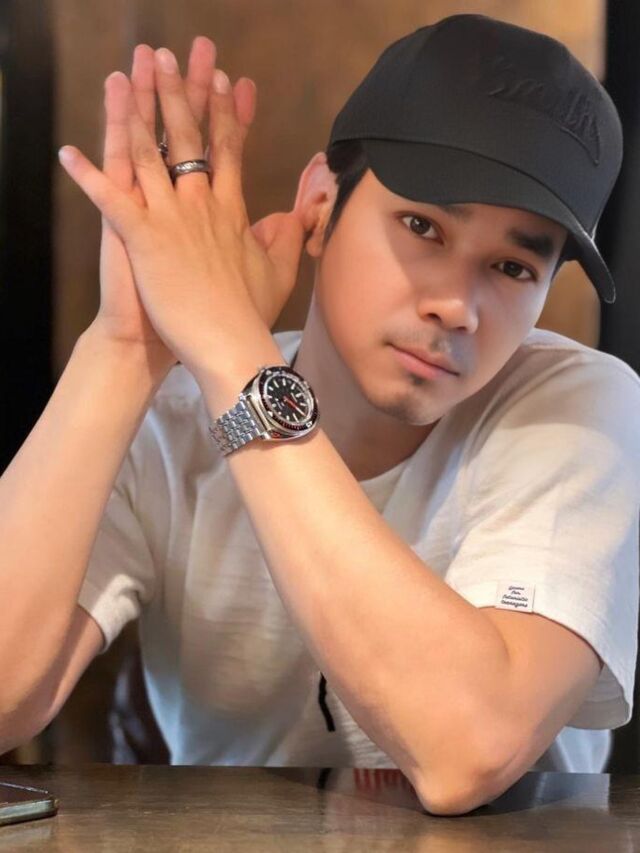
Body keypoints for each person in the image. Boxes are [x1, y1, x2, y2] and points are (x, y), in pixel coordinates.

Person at [1, 13, 639, 816]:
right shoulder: (171, 417)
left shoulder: (578, 409)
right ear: (318, 203)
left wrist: (229, 348)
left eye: (512, 267)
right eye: (422, 226)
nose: (457, 306)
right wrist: (126, 345)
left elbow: (467, 750)